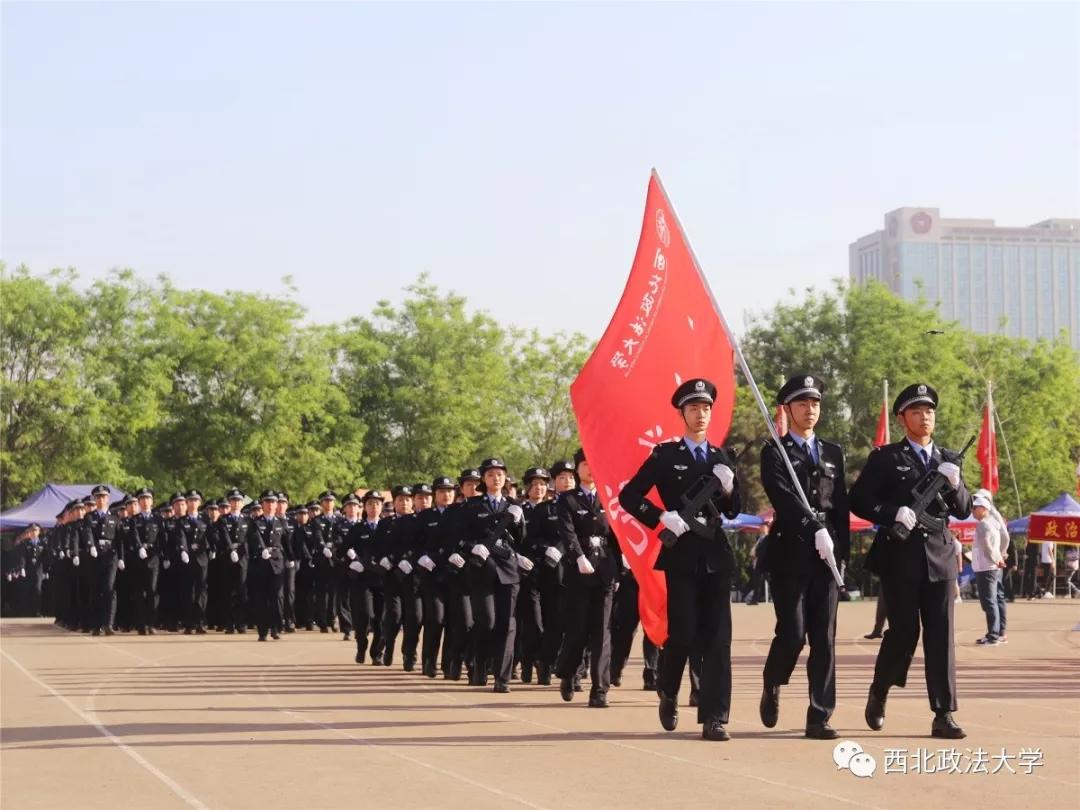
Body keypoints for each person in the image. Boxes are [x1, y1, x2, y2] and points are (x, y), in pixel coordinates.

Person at [619, 378, 741, 741]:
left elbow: (734, 510)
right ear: (682, 413)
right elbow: (629, 496)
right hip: (682, 556)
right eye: (693, 408)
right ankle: (668, 689)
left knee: (719, 639)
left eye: (706, 408)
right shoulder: (666, 456)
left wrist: (730, 486)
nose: (700, 414)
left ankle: (715, 716)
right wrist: (659, 516)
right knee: (683, 634)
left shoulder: (722, 457)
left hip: (716, 556)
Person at [850, 382, 972, 740]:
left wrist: (956, 482)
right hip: (900, 557)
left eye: (929, 411)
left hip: (940, 557)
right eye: (917, 411)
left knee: (941, 636)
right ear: (903, 417)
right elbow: (857, 500)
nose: (925, 417)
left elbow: (963, 509)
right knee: (903, 633)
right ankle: (880, 689)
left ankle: (943, 713)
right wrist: (891, 512)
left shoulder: (948, 458)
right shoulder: (886, 458)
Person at [758, 375, 849, 740]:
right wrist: (815, 529)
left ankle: (819, 714)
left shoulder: (833, 453)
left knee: (824, 638)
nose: (809, 410)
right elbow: (784, 498)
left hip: (826, 556)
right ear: (788, 409)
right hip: (790, 552)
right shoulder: (775, 452)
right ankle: (773, 681)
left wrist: (841, 551)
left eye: (815, 404)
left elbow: (840, 504)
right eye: (801, 404)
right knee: (793, 634)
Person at [556, 448, 619, 708]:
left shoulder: (608, 498)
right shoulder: (567, 499)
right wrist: (577, 556)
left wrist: (620, 567)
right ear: (577, 469)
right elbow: (567, 531)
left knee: (602, 632)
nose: (590, 469)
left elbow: (616, 534)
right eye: (585, 464)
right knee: (578, 630)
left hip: (604, 570)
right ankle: (569, 673)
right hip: (578, 572)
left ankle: (600, 688)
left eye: (594, 463)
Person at [465, 458, 525, 692]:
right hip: (482, 571)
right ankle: (479, 664)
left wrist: (519, 522)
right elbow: (461, 535)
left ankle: (502, 677)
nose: (496, 478)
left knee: (507, 625)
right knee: (486, 622)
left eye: (500, 474)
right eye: (490, 474)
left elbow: (521, 540)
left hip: (509, 571)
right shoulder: (472, 506)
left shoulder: (513, 505)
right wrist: (472, 546)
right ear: (483, 479)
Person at [971, 496, 1006, 645]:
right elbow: (1002, 541)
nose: (972, 511)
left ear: (984, 509)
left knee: (989, 602)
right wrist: (1000, 557)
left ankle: (993, 635)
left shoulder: (983, 525)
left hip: (986, 567)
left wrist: (995, 559)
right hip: (991, 567)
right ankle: (996, 632)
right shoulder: (994, 524)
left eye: (975, 508)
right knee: (994, 601)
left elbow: (987, 546)